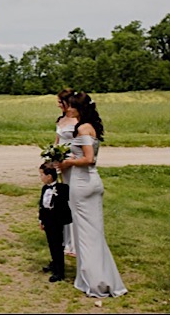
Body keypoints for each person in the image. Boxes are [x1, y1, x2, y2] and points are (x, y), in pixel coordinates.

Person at [57, 91, 127, 298]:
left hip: (82, 182)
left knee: (85, 233)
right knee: (94, 231)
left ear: (81, 109)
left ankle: (95, 280)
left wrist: (67, 162)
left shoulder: (84, 128)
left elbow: (89, 159)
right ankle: (101, 276)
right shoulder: (90, 127)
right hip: (91, 182)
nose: (68, 109)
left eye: (72, 107)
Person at [38, 164, 73, 283]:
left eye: (42, 175)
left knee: (57, 245)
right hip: (48, 220)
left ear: (49, 176)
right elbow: (42, 206)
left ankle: (60, 271)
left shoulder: (62, 188)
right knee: (51, 244)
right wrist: (41, 220)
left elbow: (64, 206)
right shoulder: (44, 188)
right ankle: (54, 263)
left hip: (57, 221)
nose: (41, 177)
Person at [53, 87, 76, 256]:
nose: (58, 105)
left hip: (72, 163)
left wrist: (68, 160)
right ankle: (65, 239)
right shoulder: (61, 120)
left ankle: (74, 242)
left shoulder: (77, 121)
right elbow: (57, 141)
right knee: (62, 199)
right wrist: (52, 155)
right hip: (60, 161)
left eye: (60, 102)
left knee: (72, 199)